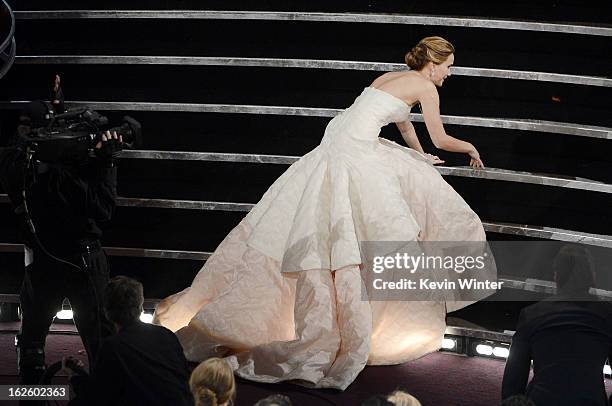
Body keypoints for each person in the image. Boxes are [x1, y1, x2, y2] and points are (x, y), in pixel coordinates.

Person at [154, 36, 495, 390]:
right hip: (353, 152)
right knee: (368, 227)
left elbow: (403, 123)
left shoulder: (390, 77)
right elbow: (440, 138)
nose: (449, 74)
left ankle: (347, 309)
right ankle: (346, 323)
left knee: (340, 225)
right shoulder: (425, 86)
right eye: (449, 67)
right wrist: (469, 146)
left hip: (336, 140)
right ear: (433, 64)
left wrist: (420, 154)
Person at [0, 101, 121, 385]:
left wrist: (101, 162)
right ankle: (33, 397)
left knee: (100, 345)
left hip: (80, 259)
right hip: (50, 259)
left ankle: (97, 398)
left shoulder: (78, 160)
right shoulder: (19, 164)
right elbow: (102, 208)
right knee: (32, 344)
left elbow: (103, 209)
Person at [501, 245, 612, 406]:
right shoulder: (608, 315)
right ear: (591, 276)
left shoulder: (531, 314)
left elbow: (512, 385)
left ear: (557, 276)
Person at [67, 276, 193, 406]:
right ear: (141, 306)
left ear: (106, 312)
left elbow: (96, 396)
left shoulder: (113, 346)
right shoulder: (166, 334)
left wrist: (74, 377)